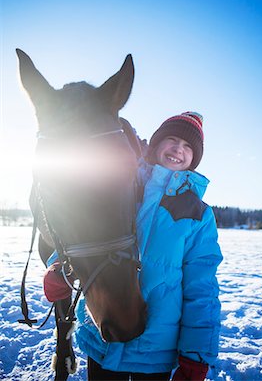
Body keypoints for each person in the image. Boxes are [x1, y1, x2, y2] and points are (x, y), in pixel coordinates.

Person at [75, 111, 223, 381]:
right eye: (173, 139)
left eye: (189, 146)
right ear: (157, 144)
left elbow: (201, 288)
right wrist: (58, 267)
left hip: (155, 351)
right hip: (104, 335)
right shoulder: (123, 186)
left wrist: (195, 355)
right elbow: (82, 231)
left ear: (194, 158)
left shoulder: (199, 215)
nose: (179, 149)